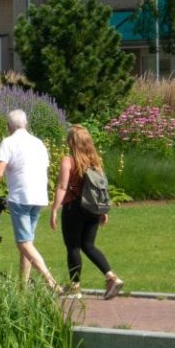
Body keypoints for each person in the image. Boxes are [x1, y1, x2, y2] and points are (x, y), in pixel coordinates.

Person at [0, 109, 61, 291]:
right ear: (26, 124)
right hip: (39, 196)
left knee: (23, 243)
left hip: (21, 196)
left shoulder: (8, 142)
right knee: (28, 243)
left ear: (8, 126)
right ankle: (23, 287)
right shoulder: (39, 143)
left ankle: (50, 281)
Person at [50, 124, 124, 299]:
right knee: (88, 245)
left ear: (71, 142)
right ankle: (111, 277)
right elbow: (101, 189)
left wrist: (54, 209)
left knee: (73, 247)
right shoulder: (95, 161)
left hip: (73, 208)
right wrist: (103, 211)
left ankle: (75, 288)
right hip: (92, 209)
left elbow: (62, 187)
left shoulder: (68, 161)